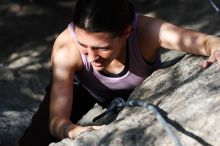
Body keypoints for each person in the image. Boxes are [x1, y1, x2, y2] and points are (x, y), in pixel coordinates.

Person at [19, 0, 220, 145]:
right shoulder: (67, 48)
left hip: (136, 91)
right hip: (83, 89)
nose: (91, 57)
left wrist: (216, 49)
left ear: (126, 32)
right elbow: (56, 121)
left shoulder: (149, 31)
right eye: (83, 45)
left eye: (102, 48)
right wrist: (72, 130)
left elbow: (206, 42)